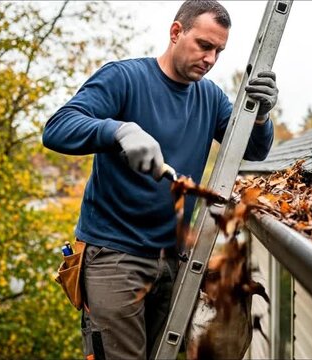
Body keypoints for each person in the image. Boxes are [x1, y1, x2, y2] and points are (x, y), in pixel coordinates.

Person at [42, 1, 278, 358]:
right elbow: (57, 128)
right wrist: (119, 130)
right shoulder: (124, 78)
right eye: (204, 45)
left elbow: (254, 150)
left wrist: (260, 117)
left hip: (174, 260)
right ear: (176, 32)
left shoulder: (210, 97)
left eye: (219, 51)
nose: (211, 59)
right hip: (114, 257)